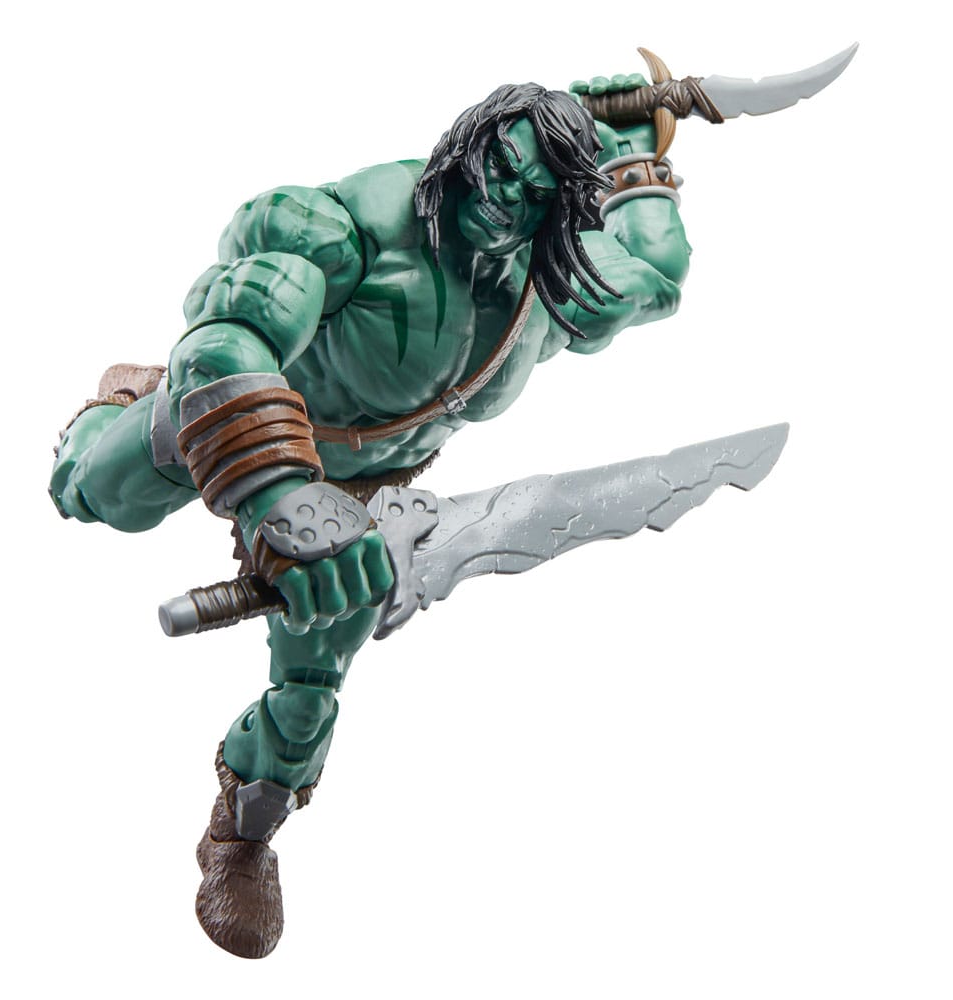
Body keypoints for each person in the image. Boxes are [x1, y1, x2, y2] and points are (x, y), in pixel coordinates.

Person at [50, 79, 689, 958]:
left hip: (362, 499)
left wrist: (642, 155)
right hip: (240, 419)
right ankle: (116, 406)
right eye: (499, 168)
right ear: (466, 146)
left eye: (536, 191)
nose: (504, 199)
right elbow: (226, 338)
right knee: (87, 496)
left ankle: (242, 836)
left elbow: (653, 276)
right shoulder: (349, 225)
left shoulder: (546, 286)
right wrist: (278, 493)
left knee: (308, 699)